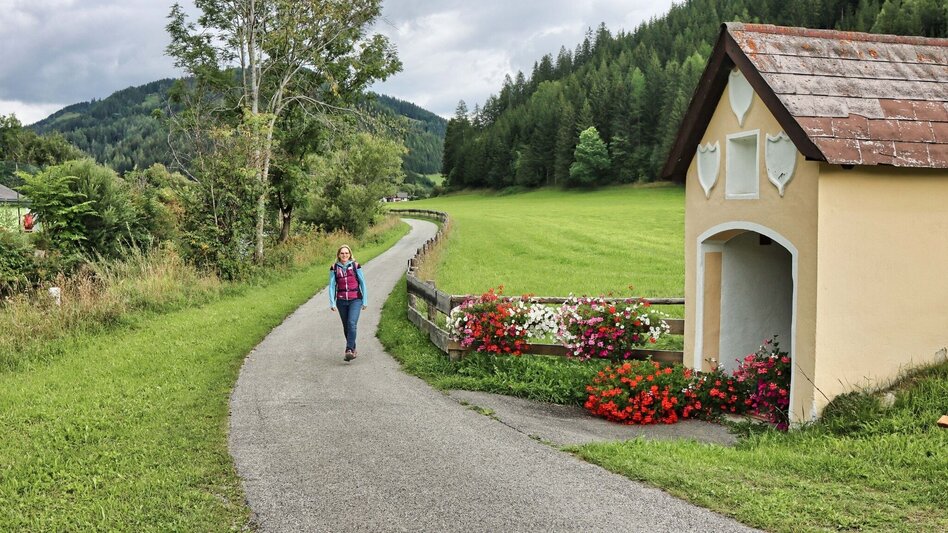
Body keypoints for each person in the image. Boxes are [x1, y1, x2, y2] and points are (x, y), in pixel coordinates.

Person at [329, 245, 367, 362]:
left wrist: (365, 301)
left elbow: (362, 283)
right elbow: (331, 286)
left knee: (351, 323)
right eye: (342, 253)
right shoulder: (334, 268)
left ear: (350, 254)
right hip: (341, 301)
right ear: (338, 255)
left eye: (346, 253)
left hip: (355, 299)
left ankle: (349, 349)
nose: (344, 255)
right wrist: (332, 303)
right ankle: (353, 350)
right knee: (346, 326)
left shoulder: (356, 266)